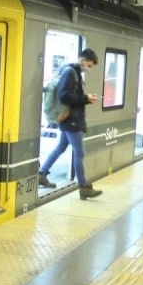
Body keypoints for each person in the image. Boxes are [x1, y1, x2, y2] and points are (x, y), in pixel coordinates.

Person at [38, 49, 103, 200]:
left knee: (60, 148)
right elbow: (64, 96)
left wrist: (86, 98)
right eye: (89, 65)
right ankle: (83, 187)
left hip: (69, 118)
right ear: (83, 59)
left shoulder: (71, 71)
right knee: (79, 153)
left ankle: (42, 173)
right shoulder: (70, 72)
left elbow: (70, 95)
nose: (88, 68)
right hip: (72, 119)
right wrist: (85, 97)